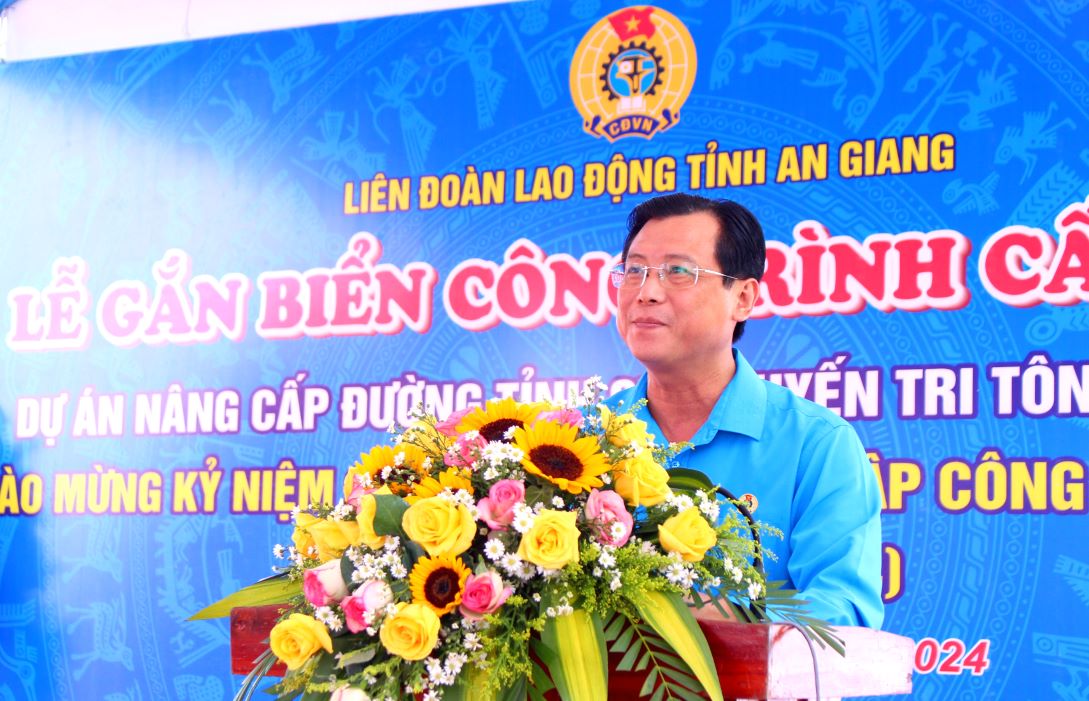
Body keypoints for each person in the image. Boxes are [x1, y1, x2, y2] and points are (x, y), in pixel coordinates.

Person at [604, 193, 884, 628]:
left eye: (678, 271)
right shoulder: (580, 438)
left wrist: (718, 619)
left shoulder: (816, 444)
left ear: (744, 298)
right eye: (635, 271)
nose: (647, 292)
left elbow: (843, 613)